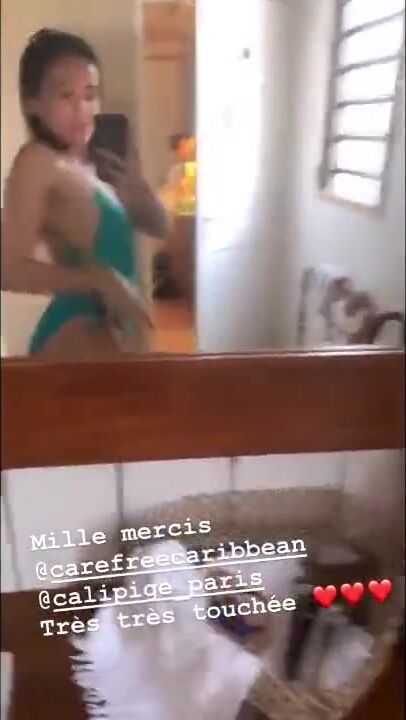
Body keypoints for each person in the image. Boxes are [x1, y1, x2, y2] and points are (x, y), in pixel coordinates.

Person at [1, 28, 169, 359]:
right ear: (33, 103)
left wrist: (140, 194)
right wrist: (100, 281)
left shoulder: (98, 162)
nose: (82, 110)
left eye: (90, 94)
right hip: (76, 331)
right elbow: (6, 268)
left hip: (118, 336)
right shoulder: (37, 161)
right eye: (66, 96)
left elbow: (160, 227)